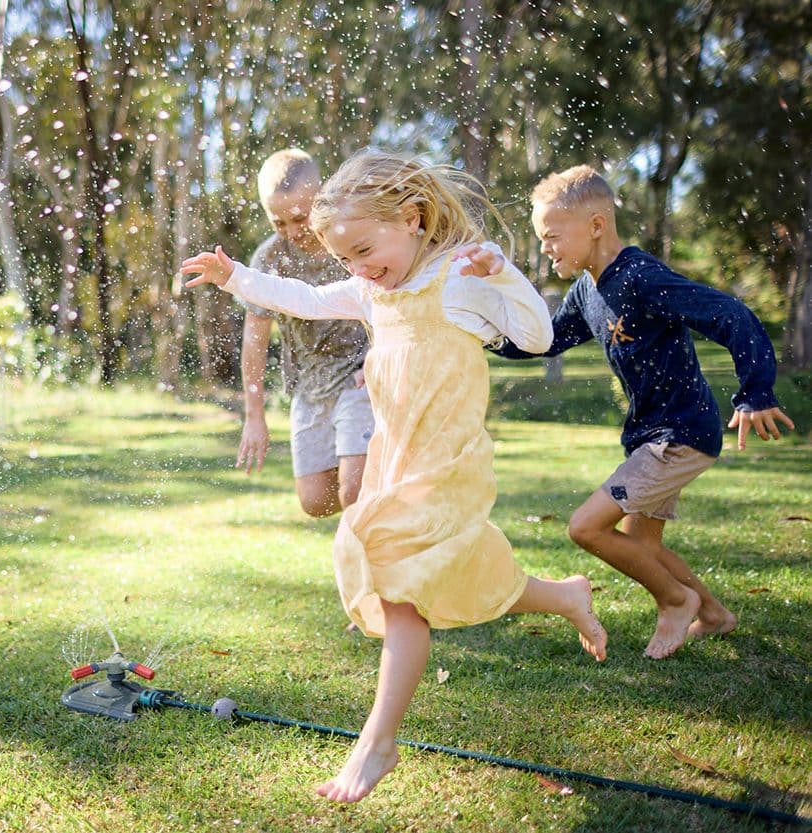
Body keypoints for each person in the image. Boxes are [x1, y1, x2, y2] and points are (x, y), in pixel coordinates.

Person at [181, 149, 607, 804]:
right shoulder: (371, 289)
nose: (356, 268)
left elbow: (538, 335)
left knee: (402, 594)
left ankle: (378, 742)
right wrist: (234, 274)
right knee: (458, 575)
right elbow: (303, 297)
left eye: (362, 249)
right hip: (396, 459)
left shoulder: (459, 278)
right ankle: (564, 595)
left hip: (446, 464)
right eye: (346, 258)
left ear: (410, 218)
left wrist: (504, 275)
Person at [492, 165, 795, 660]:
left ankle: (676, 601)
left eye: (551, 235)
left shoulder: (641, 277)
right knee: (641, 545)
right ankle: (714, 614)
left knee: (586, 527)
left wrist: (755, 392)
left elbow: (731, 314)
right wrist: (483, 334)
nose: (546, 247)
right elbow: (547, 340)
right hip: (651, 435)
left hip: (679, 433)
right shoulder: (587, 289)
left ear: (595, 224)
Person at [238, 150, 373, 518]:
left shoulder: (348, 241)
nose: (293, 231)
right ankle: (394, 490)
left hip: (361, 377)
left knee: (354, 491)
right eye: (278, 222)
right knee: (316, 502)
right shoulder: (269, 259)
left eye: (300, 217)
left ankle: (375, 565)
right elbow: (254, 341)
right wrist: (255, 416)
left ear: (322, 197)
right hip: (310, 384)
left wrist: (381, 361)